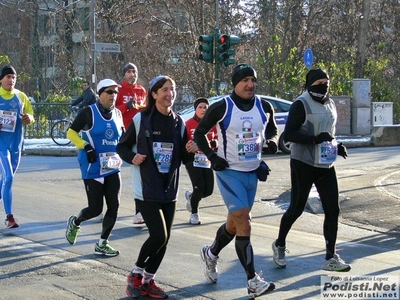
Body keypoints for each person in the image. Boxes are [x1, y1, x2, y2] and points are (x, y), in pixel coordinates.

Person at [194, 64, 278, 299]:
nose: (250, 84)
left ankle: (211, 254)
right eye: (244, 80)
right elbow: (199, 133)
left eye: (252, 80)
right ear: (235, 83)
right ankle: (252, 281)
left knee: (234, 225)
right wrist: (212, 158)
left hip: (252, 172)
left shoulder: (264, 105)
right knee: (244, 220)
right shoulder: (222, 107)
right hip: (229, 172)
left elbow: (272, 130)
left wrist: (271, 142)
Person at [117, 75, 197, 299]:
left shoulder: (178, 122)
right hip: (146, 186)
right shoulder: (141, 119)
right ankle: (135, 274)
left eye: (173, 89)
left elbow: (183, 156)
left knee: (165, 238)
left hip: (168, 187)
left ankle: (148, 281)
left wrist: (190, 149)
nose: (169, 93)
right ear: (154, 94)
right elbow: (122, 146)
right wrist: (132, 157)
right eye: (164, 89)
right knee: (158, 236)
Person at [271, 68, 350, 272]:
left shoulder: (330, 103)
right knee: (296, 208)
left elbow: (329, 133)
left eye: (327, 82)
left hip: (325, 163)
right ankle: (279, 244)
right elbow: (289, 134)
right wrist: (314, 139)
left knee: (333, 210)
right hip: (303, 163)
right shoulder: (301, 103)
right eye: (319, 83)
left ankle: (330, 257)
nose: (324, 85)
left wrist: (337, 145)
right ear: (310, 84)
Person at [65, 78, 124, 257]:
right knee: (95, 208)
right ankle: (76, 222)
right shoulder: (88, 112)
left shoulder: (118, 114)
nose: (113, 96)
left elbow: (121, 137)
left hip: (112, 165)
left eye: (115, 92)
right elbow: (70, 132)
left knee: (114, 205)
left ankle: (102, 243)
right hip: (92, 166)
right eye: (109, 92)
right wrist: (85, 146)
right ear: (100, 94)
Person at [0, 65, 34, 228]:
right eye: (8, 77)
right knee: (9, 178)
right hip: (1, 146)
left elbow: (31, 114)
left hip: (16, 146)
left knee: (6, 179)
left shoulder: (21, 96)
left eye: (13, 77)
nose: (11, 80)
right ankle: (9, 217)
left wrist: (29, 118)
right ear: (1, 79)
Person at [116, 62, 147, 225]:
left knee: (142, 172)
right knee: (132, 173)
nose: (132, 74)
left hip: (141, 133)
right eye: (129, 72)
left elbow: (145, 108)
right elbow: (114, 111)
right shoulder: (119, 90)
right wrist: (126, 106)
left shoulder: (141, 90)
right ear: (124, 74)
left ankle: (141, 211)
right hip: (126, 133)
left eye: (134, 71)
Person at [184, 97, 217, 225]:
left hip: (207, 159)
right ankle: (194, 213)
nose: (203, 110)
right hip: (192, 159)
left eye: (205, 107)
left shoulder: (212, 124)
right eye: (200, 107)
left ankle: (192, 197)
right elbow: (183, 141)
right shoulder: (188, 123)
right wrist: (188, 146)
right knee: (199, 186)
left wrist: (214, 143)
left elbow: (218, 140)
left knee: (208, 191)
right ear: (195, 109)